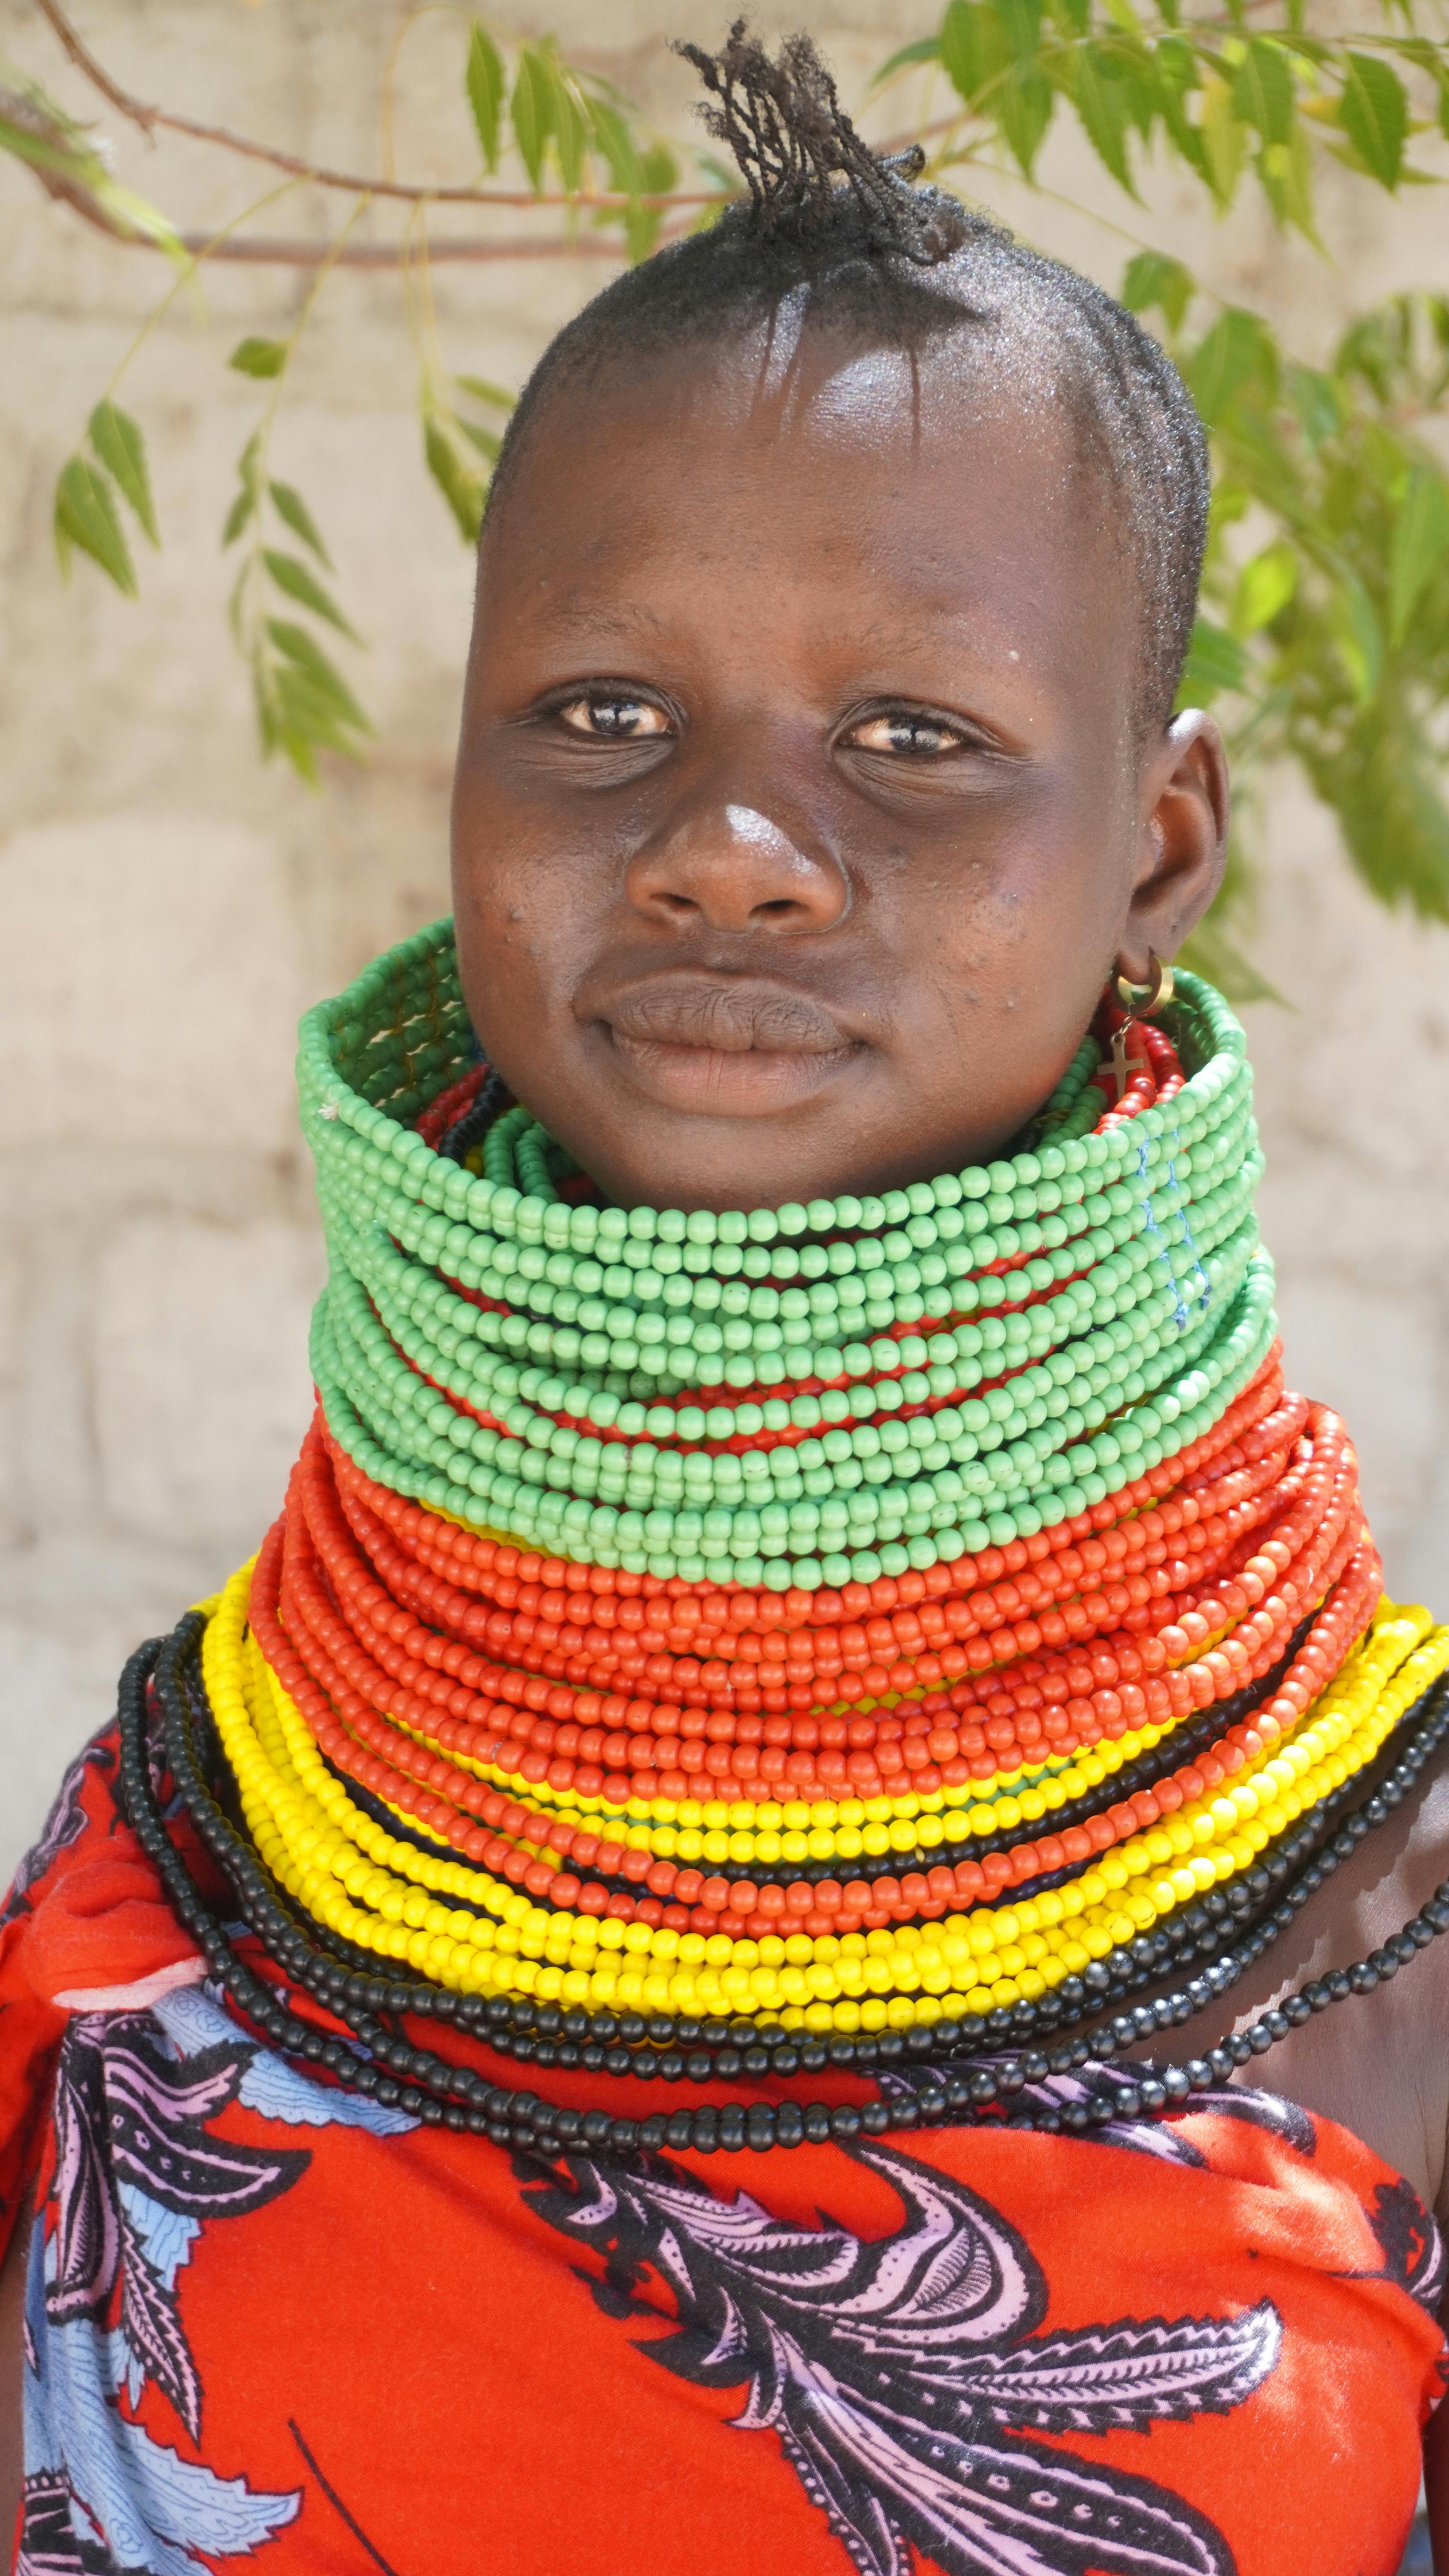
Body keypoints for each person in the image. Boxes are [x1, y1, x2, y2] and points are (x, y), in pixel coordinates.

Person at [2, 26, 1446, 2576]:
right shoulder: (184, 1832)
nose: (734, 848)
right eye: (602, 714)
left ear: (1160, 843)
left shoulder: (1396, 1904)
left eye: (914, 733)